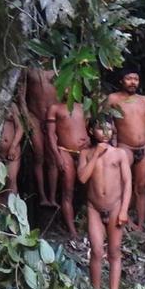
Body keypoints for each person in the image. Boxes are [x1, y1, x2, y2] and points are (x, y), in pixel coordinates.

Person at [78, 119, 131, 289]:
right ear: (91, 130)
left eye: (109, 128)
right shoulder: (85, 153)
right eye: (101, 128)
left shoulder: (120, 154)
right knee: (97, 252)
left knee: (115, 252)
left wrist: (124, 209)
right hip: (94, 208)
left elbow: (127, 183)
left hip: (116, 207)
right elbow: (82, 178)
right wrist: (97, 154)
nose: (106, 132)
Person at [105, 68, 145, 231]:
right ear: (121, 80)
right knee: (120, 183)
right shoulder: (112, 98)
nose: (133, 82)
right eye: (129, 78)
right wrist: (110, 146)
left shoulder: (144, 100)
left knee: (140, 187)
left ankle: (140, 225)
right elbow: (107, 123)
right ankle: (118, 217)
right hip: (124, 146)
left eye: (136, 78)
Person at [45, 99, 90, 243]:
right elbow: (51, 135)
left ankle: (88, 225)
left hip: (84, 151)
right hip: (64, 151)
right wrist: (57, 156)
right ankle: (72, 231)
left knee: (91, 189)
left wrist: (90, 139)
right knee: (67, 191)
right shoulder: (55, 108)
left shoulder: (84, 106)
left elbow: (90, 127)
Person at [24, 64, 59, 207]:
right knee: (39, 155)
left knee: (53, 158)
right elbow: (21, 95)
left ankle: (52, 197)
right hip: (34, 117)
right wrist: (27, 118)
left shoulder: (59, 68)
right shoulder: (28, 69)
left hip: (53, 117)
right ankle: (42, 196)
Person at [0, 97, 24, 199]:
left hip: (12, 149)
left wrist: (13, 146)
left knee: (11, 180)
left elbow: (20, 128)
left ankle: (12, 211)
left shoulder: (12, 105)